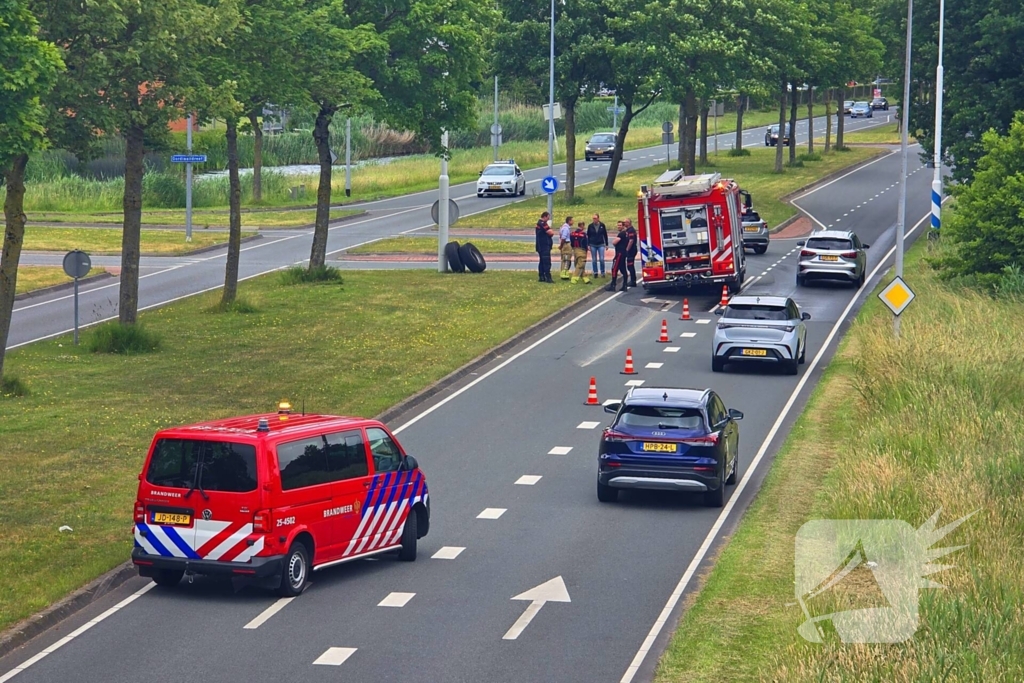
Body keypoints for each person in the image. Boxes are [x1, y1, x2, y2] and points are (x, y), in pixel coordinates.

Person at [605, 220, 629, 292]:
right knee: (623, 269)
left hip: (619, 253)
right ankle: (625, 285)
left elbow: (614, 242)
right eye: (618, 225)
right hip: (623, 253)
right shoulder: (626, 233)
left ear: (623, 226)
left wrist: (615, 242)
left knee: (614, 269)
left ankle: (613, 285)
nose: (618, 226)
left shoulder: (621, 234)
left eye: (620, 225)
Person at [535, 211, 555, 283]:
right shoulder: (543, 224)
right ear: (545, 216)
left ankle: (541, 276)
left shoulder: (538, 223)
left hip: (540, 246)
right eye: (548, 217)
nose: (548, 218)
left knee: (542, 262)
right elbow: (551, 232)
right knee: (546, 262)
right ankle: (548, 277)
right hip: (544, 246)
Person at [624, 219, 639, 288]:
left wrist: (627, 249)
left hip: (631, 250)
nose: (624, 223)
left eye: (625, 222)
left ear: (628, 223)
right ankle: (632, 280)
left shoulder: (631, 231)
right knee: (629, 265)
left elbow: (631, 240)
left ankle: (633, 281)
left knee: (630, 265)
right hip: (631, 250)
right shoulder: (628, 230)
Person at [558, 216, 574, 280]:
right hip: (566, 244)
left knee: (564, 259)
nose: (573, 222)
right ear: (569, 221)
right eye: (572, 220)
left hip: (565, 244)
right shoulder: (566, 228)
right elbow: (563, 238)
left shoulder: (564, 227)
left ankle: (563, 273)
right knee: (567, 259)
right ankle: (564, 274)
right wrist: (561, 246)